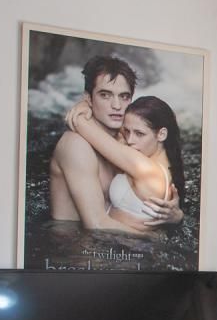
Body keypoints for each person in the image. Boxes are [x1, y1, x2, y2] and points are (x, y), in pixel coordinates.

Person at [48, 54, 182, 232]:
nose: (117, 105)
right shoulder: (76, 145)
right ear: (88, 98)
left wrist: (177, 217)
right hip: (75, 244)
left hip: (114, 241)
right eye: (105, 95)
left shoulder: (126, 140)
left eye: (124, 96)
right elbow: (96, 225)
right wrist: (155, 239)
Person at [68, 95, 184, 227]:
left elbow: (80, 123)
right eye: (127, 131)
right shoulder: (164, 164)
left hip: (113, 238)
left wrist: (83, 107)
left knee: (71, 142)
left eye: (139, 134)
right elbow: (118, 132)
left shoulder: (145, 168)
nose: (129, 140)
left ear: (161, 134)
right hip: (116, 235)